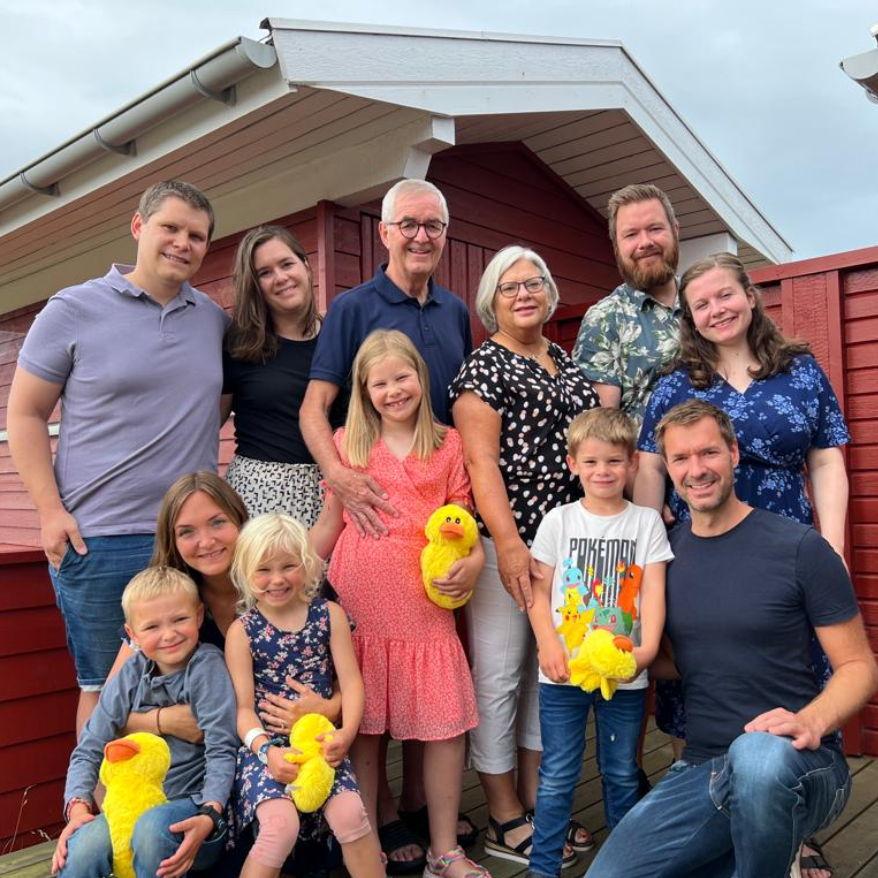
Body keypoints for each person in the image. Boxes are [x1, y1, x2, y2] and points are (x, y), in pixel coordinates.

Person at [586, 400, 878, 878]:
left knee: (757, 756)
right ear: (668, 468)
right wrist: (607, 653)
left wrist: (811, 720)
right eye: (681, 459)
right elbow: (676, 662)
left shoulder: (800, 547)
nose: (696, 470)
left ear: (734, 453)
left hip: (799, 761)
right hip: (704, 768)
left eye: (709, 453)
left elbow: (859, 667)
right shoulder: (664, 558)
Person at [634, 253, 850, 878]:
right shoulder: (675, 382)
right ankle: (712, 814)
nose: (716, 310)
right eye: (701, 304)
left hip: (786, 547)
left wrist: (832, 544)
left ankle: (791, 828)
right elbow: (649, 467)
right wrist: (648, 554)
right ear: (689, 317)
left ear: (750, 296)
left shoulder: (799, 370)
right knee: (699, 671)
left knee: (792, 671)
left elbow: (826, 459)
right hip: (698, 547)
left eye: (725, 295)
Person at [7, 180, 228, 733]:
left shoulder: (212, 320)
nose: (182, 243)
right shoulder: (73, 309)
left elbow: (215, 406)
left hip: (190, 541)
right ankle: (92, 792)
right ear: (138, 226)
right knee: (105, 691)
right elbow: (26, 415)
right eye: (170, 228)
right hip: (99, 539)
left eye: (196, 236)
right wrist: (49, 512)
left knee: (197, 685)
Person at [300, 178, 475, 870]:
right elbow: (316, 408)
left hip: (427, 581)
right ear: (385, 231)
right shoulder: (353, 308)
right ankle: (374, 837)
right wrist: (339, 476)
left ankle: (432, 832)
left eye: (434, 225)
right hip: (364, 588)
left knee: (431, 710)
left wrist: (473, 556)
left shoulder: (456, 311)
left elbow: (460, 498)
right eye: (409, 224)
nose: (421, 236)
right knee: (367, 716)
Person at [310, 330, 486, 878]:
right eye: (379, 383)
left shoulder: (448, 443)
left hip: (426, 604)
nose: (393, 391)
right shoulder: (348, 444)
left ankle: (444, 849)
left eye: (401, 377)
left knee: (444, 726)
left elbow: (464, 522)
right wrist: (290, 574)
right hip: (360, 603)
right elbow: (330, 523)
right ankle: (365, 847)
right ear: (364, 391)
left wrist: (475, 562)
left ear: (420, 376)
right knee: (363, 727)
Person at [449, 247, 600, 868]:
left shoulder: (564, 360)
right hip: (507, 543)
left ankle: (542, 801)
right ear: (492, 301)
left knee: (549, 675)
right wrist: (509, 544)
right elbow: (480, 461)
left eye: (534, 282)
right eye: (509, 287)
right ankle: (503, 811)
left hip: (568, 546)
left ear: (550, 291)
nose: (523, 294)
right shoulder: (483, 367)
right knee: (501, 677)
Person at [526, 408, 673, 878]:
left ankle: (626, 867)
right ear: (573, 464)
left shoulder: (645, 523)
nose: (602, 471)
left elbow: (654, 593)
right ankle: (543, 868)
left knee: (622, 772)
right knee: (557, 775)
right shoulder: (557, 522)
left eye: (613, 461)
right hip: (563, 673)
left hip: (625, 674)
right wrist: (548, 644)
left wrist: (646, 652)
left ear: (632, 463)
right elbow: (538, 593)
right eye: (590, 462)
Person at [52, 567, 238, 878]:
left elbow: (222, 748)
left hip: (195, 807)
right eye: (152, 626)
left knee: (150, 830)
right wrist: (78, 807)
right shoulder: (131, 672)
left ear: (198, 615)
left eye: (179, 619)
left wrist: (211, 811)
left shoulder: (206, 667)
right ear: (133, 634)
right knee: (82, 848)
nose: (169, 634)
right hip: (132, 806)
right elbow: (90, 745)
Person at [225, 513, 383, 878]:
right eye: (264, 570)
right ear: (245, 572)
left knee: (351, 814)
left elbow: (352, 683)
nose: (277, 579)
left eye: (288, 566)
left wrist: (346, 734)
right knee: (280, 826)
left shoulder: (329, 616)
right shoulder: (242, 631)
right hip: (266, 751)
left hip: (322, 744)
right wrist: (266, 751)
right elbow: (243, 710)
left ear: (306, 564)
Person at [222, 225, 343, 525]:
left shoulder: (339, 336)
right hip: (260, 498)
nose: (280, 277)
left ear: (306, 266)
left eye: (287, 264)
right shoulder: (238, 346)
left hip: (336, 493)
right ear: (255, 286)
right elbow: (207, 423)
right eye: (265, 273)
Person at [572, 183, 681, 423]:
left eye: (655, 228)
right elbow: (601, 429)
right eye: (631, 234)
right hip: (646, 447)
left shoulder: (705, 301)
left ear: (675, 230)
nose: (645, 242)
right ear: (616, 247)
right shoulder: (604, 318)